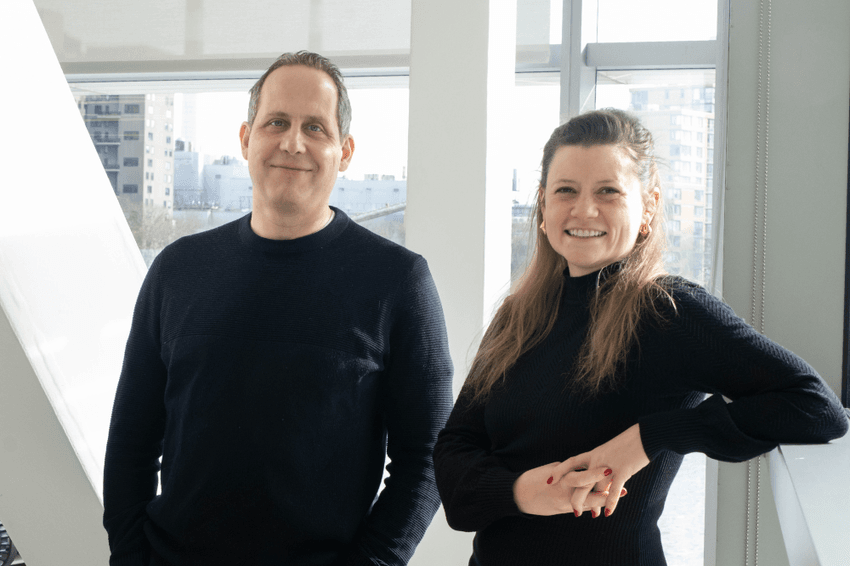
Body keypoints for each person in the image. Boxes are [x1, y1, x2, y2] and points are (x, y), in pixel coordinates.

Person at [432, 108, 848, 565]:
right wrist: (525, 491)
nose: (584, 210)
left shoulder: (670, 311)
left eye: (608, 192)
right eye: (565, 191)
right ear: (544, 208)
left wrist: (650, 437)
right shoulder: (517, 316)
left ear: (647, 206)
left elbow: (816, 407)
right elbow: (453, 463)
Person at [103, 51, 453, 566]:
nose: (293, 142)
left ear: (345, 150)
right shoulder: (178, 271)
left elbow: (427, 456)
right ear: (246, 139)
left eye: (316, 127)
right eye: (276, 123)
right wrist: (132, 555)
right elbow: (131, 438)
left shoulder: (397, 281)